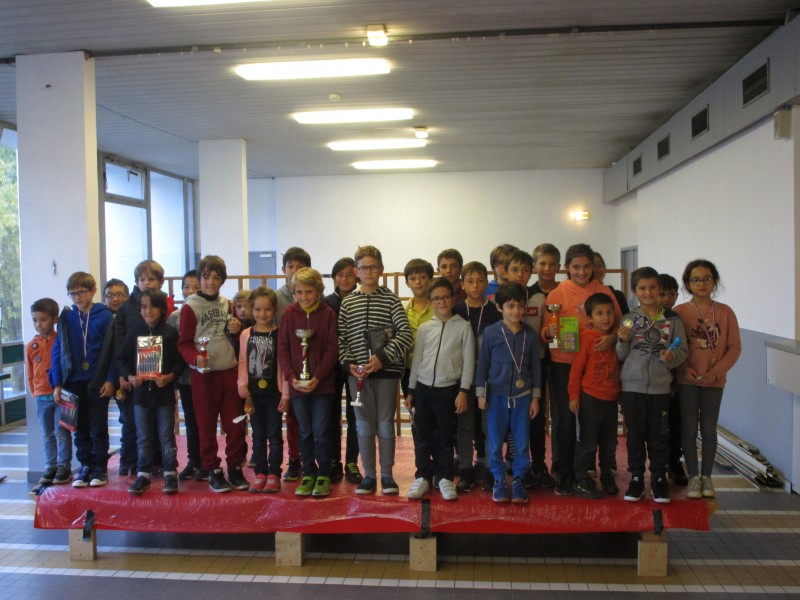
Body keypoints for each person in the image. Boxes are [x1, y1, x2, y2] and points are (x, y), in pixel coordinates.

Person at [541, 244, 622, 496]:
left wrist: (612, 337)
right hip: (564, 364)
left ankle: (591, 470)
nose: (582, 271)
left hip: (596, 369)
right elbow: (546, 332)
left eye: (587, 266)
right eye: (576, 267)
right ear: (567, 268)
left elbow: (621, 324)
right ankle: (564, 472)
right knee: (565, 419)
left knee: (595, 424)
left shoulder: (603, 291)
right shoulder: (557, 294)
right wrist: (549, 333)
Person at [338, 245, 413, 495]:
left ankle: (388, 475)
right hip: (357, 377)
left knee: (385, 424)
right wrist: (349, 364)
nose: (368, 271)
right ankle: (369, 475)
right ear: (356, 271)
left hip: (386, 375)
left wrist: (382, 358)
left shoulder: (391, 300)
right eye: (363, 268)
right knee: (362, 425)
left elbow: (405, 335)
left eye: (373, 267)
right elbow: (341, 339)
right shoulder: (348, 303)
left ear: (381, 269)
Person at [178, 255, 249, 493]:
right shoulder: (190, 307)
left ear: (223, 280)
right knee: (206, 424)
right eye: (206, 277)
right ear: (199, 279)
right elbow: (184, 343)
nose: (210, 282)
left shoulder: (227, 304)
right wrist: (195, 358)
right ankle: (212, 469)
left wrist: (236, 328)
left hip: (228, 371)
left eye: (216, 277)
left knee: (236, 423)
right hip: (204, 375)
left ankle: (235, 466)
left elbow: (233, 334)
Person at [617, 267, 688, 503]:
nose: (648, 292)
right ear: (634, 291)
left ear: (659, 289)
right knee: (635, 436)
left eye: (653, 288)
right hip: (632, 387)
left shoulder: (672, 320)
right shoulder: (628, 319)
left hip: (660, 388)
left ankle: (659, 479)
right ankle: (636, 478)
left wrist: (671, 357)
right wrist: (621, 340)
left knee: (659, 436)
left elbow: (682, 351)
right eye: (642, 288)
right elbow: (621, 355)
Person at [674, 259, 741, 499]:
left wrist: (718, 371)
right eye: (696, 279)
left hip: (714, 382)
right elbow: (674, 346)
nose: (701, 284)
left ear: (714, 281)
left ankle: (707, 477)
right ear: (687, 284)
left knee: (709, 429)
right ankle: (693, 476)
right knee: (689, 428)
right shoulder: (680, 313)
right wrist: (684, 369)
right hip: (687, 381)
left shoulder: (725, 312)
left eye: (706, 279)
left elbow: (734, 348)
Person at [405, 278, 475, 501]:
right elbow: (417, 359)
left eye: (445, 297)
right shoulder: (426, 328)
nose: (441, 302)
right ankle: (423, 476)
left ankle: (444, 477)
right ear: (430, 301)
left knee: (445, 436)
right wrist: (411, 390)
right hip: (423, 390)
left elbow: (469, 362)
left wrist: (463, 391)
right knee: (422, 436)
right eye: (436, 298)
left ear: (452, 298)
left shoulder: (463, 326)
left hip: (448, 391)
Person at [476, 282, 542, 504]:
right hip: (496, 396)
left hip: (523, 397)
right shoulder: (491, 332)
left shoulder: (530, 335)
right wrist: (481, 393)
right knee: (495, 441)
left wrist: (535, 397)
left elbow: (536, 368)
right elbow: (483, 364)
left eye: (520, 306)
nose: (516, 311)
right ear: (499, 307)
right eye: (510, 306)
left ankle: (519, 479)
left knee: (522, 442)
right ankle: (498, 479)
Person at [49, 272, 115, 488]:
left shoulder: (104, 317)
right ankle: (85, 465)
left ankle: (100, 467)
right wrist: (57, 383)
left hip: (97, 381)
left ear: (93, 291)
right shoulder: (67, 318)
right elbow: (58, 351)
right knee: (78, 426)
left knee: (98, 426)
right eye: (73, 293)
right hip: (73, 382)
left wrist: (110, 379)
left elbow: (112, 351)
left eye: (82, 292)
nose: (77, 297)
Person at [278, 267, 339, 497]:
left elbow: (332, 349)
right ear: (293, 292)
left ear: (319, 291)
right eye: (299, 292)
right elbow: (283, 348)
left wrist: (318, 377)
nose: (304, 297)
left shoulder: (328, 314)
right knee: (304, 431)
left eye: (309, 291)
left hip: (322, 385)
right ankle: (308, 472)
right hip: (297, 385)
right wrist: (291, 377)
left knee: (321, 430)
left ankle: (323, 473)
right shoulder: (289, 314)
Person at [122, 289, 185, 495]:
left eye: (153, 306)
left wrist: (169, 377)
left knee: (166, 436)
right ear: (139, 309)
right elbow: (122, 359)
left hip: (163, 395)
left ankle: (170, 473)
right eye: (144, 307)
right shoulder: (133, 332)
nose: (148, 311)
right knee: (143, 437)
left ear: (162, 309)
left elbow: (179, 362)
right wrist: (130, 377)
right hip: (140, 396)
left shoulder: (170, 333)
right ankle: (144, 474)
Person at [113, 260, 173, 476]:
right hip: (135, 377)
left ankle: (159, 463)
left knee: (161, 427)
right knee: (132, 422)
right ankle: (130, 462)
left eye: (151, 279)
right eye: (142, 279)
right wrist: (124, 375)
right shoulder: (126, 307)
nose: (146, 283)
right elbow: (120, 344)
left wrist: (169, 375)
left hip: (160, 379)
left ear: (160, 282)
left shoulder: (167, 304)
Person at [505, 249, 552, 489]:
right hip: (507, 369)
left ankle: (539, 463)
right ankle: (511, 458)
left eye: (525, 270)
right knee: (510, 416)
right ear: (505, 271)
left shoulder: (538, 298)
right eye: (515, 269)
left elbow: (545, 332)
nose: (520, 274)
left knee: (536, 416)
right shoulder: (500, 298)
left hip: (535, 365)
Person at [568, 293, 622, 499]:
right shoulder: (586, 339)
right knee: (588, 441)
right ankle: (581, 478)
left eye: (609, 312)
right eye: (599, 313)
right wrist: (574, 395)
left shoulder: (618, 340)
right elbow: (576, 370)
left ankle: (607, 475)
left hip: (611, 400)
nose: (606, 317)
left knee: (610, 442)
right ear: (590, 318)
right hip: (590, 399)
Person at [453, 261, 501, 491]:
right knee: (464, 426)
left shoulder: (495, 312)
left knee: (488, 426)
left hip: (489, 380)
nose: (475, 286)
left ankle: (491, 469)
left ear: (486, 282)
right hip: (461, 379)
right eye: (470, 281)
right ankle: (465, 469)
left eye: (480, 281)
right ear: (462, 284)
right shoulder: (456, 311)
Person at [238, 287, 289, 493]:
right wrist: (242, 384)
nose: (262, 314)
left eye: (267, 309)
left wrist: (286, 393)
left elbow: (285, 366)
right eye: (258, 309)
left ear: (274, 309)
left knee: (274, 434)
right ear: (251, 310)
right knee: (258, 435)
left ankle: (274, 473)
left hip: (274, 393)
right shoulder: (245, 334)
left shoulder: (280, 334)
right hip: (253, 394)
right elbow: (242, 361)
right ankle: (260, 472)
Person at [324, 257, 361, 484]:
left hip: (356, 366)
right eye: (340, 274)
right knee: (331, 415)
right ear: (333, 277)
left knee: (355, 414)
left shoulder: (362, 299)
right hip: (331, 367)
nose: (345, 279)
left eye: (349, 274)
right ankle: (333, 462)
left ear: (357, 275)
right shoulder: (326, 302)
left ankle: (352, 462)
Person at [28, 297, 72, 487]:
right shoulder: (31, 346)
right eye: (35, 320)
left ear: (55, 319)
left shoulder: (60, 340)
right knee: (47, 434)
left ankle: (64, 466)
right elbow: (30, 372)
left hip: (61, 395)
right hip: (42, 397)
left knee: (62, 432)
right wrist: (35, 391)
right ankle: (50, 466)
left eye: (43, 320)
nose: (39, 324)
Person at [274, 246, 310, 482]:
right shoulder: (276, 299)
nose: (294, 271)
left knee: (311, 417)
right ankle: (294, 459)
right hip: (283, 365)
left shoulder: (313, 296)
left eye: (300, 267)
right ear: (283, 269)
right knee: (290, 416)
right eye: (290, 267)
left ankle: (312, 459)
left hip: (310, 365)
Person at [167, 270, 205, 481]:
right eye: (187, 287)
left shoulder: (209, 311)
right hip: (185, 377)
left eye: (196, 287)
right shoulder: (175, 317)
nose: (191, 291)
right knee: (190, 420)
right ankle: (193, 461)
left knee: (206, 420)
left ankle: (207, 461)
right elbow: (174, 348)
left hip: (207, 375)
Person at [530, 243, 561, 481]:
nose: (547, 268)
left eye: (552, 264)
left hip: (562, 360)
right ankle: (537, 462)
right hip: (536, 361)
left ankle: (560, 461)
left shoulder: (565, 292)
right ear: (534, 266)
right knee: (536, 415)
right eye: (542, 263)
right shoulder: (527, 294)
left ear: (559, 267)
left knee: (561, 413)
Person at [658, 272, 688, 486]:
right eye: (662, 294)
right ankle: (658, 466)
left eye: (672, 294)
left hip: (676, 384)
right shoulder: (642, 319)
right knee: (658, 429)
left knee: (676, 426)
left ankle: (675, 462)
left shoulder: (677, 319)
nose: (667, 298)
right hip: (655, 385)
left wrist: (675, 382)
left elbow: (682, 351)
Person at [402, 258, 434, 395]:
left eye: (423, 277)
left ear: (431, 279)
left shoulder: (439, 308)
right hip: (408, 369)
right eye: (412, 278)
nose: (418, 282)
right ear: (407, 283)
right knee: (411, 405)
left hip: (434, 369)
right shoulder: (403, 309)